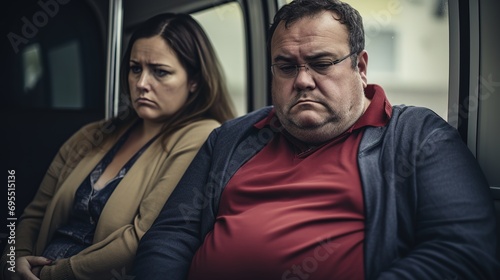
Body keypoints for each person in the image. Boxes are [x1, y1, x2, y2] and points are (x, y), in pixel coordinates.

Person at [133, 1, 499, 279]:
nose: (303, 80)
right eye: (287, 67)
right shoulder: (231, 137)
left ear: (360, 66)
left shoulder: (417, 136)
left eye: (322, 63)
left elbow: (464, 251)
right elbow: (170, 235)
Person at [1, 12, 235, 280]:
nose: (141, 84)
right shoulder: (96, 133)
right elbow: (36, 211)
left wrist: (52, 274)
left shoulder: (201, 136)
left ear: (194, 81)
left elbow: (140, 237)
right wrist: (14, 259)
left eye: (160, 72)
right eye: (135, 69)